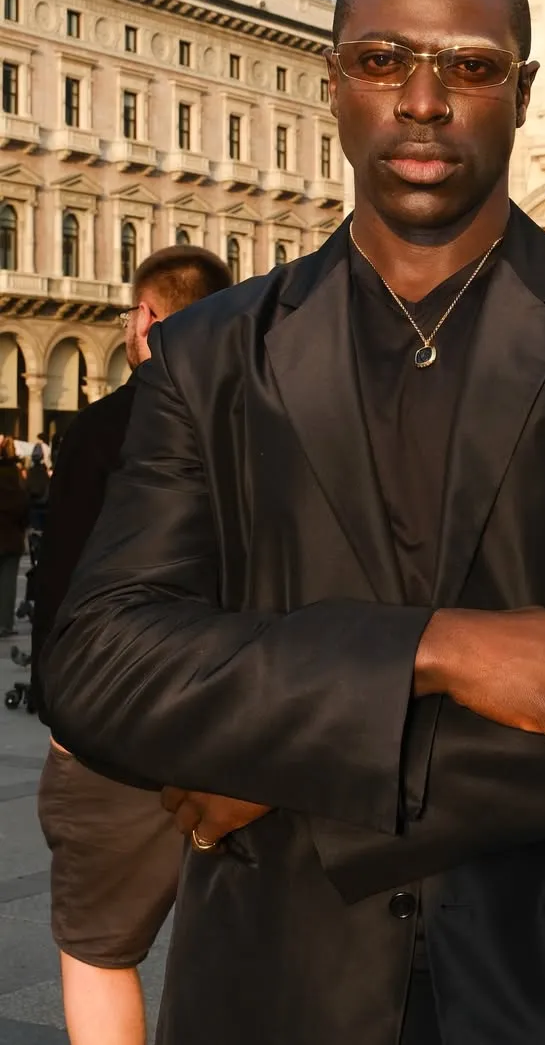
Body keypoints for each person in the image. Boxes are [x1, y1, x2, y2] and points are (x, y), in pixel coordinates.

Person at [41, 0, 545, 1045]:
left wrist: (286, 775)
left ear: (522, 93)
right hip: (282, 985)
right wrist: (443, 647)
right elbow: (98, 661)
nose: (423, 99)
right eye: (383, 60)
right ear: (334, 83)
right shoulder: (213, 354)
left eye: (469, 66)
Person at [34, 246, 233, 1045]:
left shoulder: (104, 429)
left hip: (118, 733)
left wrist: (61, 717)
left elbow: (62, 591)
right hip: (240, 726)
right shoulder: (272, 423)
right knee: (244, 951)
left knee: (97, 947)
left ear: (144, 320)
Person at [0, 437, 28, 636]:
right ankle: (5, 623)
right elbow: (24, 512)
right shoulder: (18, 486)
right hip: (11, 539)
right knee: (8, 584)